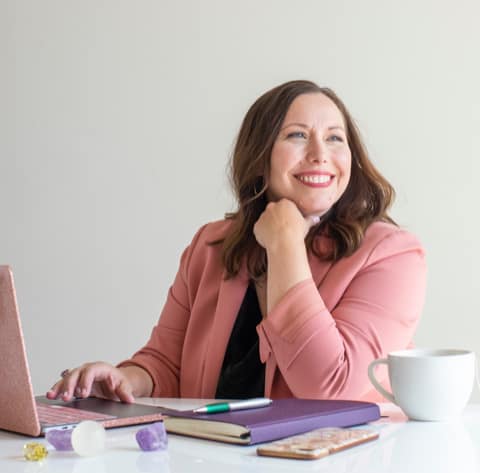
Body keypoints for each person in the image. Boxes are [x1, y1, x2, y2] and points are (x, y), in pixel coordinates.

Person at [47, 80, 427, 404]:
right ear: (260, 155)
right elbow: (166, 363)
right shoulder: (212, 245)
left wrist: (286, 245)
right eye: (297, 135)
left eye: (334, 138)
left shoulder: (392, 255)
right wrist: (122, 380)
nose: (319, 155)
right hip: (212, 458)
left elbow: (329, 385)